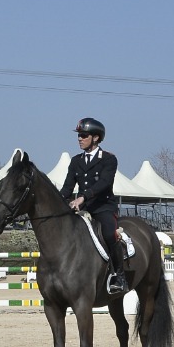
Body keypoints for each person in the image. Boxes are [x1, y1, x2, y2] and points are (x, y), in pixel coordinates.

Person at [60, 117, 128, 296]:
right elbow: (67, 187)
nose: (79, 139)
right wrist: (58, 202)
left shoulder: (109, 159)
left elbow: (104, 183)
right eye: (79, 136)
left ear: (96, 138)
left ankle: (118, 275)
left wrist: (82, 197)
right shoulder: (75, 161)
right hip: (83, 209)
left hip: (103, 207)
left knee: (108, 233)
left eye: (83, 135)